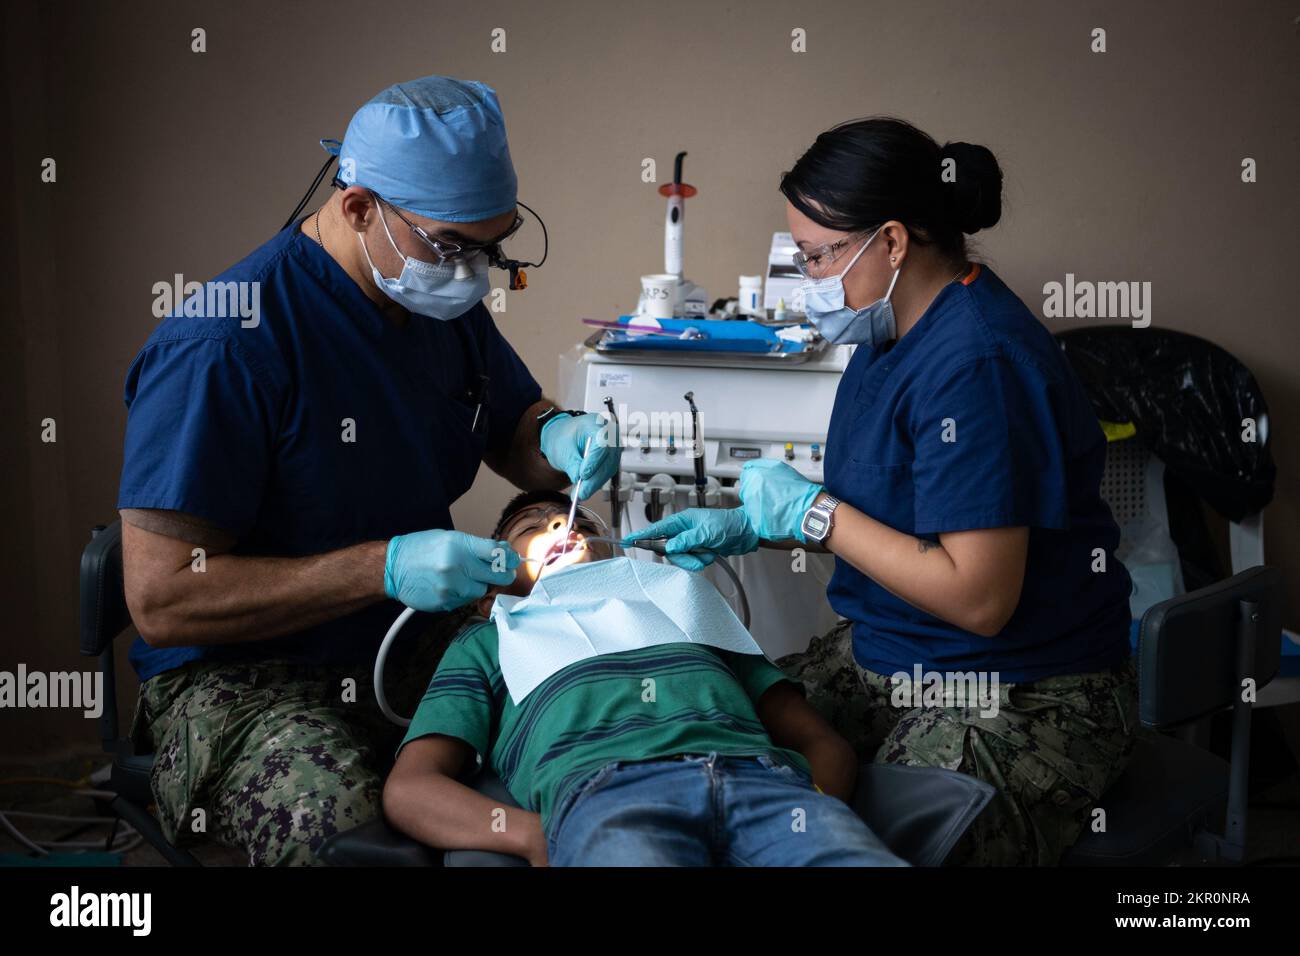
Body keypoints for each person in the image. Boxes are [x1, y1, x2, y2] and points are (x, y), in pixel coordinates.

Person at [118, 76, 618, 865]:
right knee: (349, 837)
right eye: (453, 247)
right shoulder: (224, 347)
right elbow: (162, 599)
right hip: (245, 679)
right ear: (358, 208)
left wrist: (559, 434)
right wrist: (381, 568)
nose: (474, 274)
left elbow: (512, 428)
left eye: (493, 246)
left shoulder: (427, 305)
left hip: (406, 635)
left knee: (598, 705)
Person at [626, 118, 1138, 865]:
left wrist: (814, 514)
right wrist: (754, 524)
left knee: (857, 848)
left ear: (893, 241)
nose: (809, 281)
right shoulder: (892, 332)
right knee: (705, 732)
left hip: (1022, 689)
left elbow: (980, 599)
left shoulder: (978, 363)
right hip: (896, 650)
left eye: (817, 257)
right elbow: (897, 507)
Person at [384, 490, 906, 867]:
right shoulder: (491, 639)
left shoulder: (685, 608)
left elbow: (820, 742)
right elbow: (412, 788)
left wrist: (810, 805)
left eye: (579, 522)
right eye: (531, 526)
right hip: (611, 798)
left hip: (768, 786)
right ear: (492, 591)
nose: (560, 526)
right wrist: (530, 836)